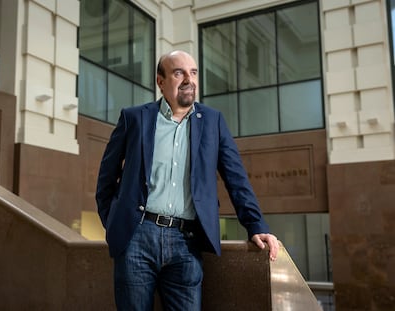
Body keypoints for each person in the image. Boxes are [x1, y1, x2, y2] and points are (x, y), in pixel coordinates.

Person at [96, 50, 279, 310]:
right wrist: (115, 222)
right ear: (161, 81)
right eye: (179, 72)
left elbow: (236, 178)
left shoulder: (213, 121)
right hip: (137, 237)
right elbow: (106, 178)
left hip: (187, 242)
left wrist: (256, 225)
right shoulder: (135, 118)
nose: (188, 79)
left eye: (193, 73)